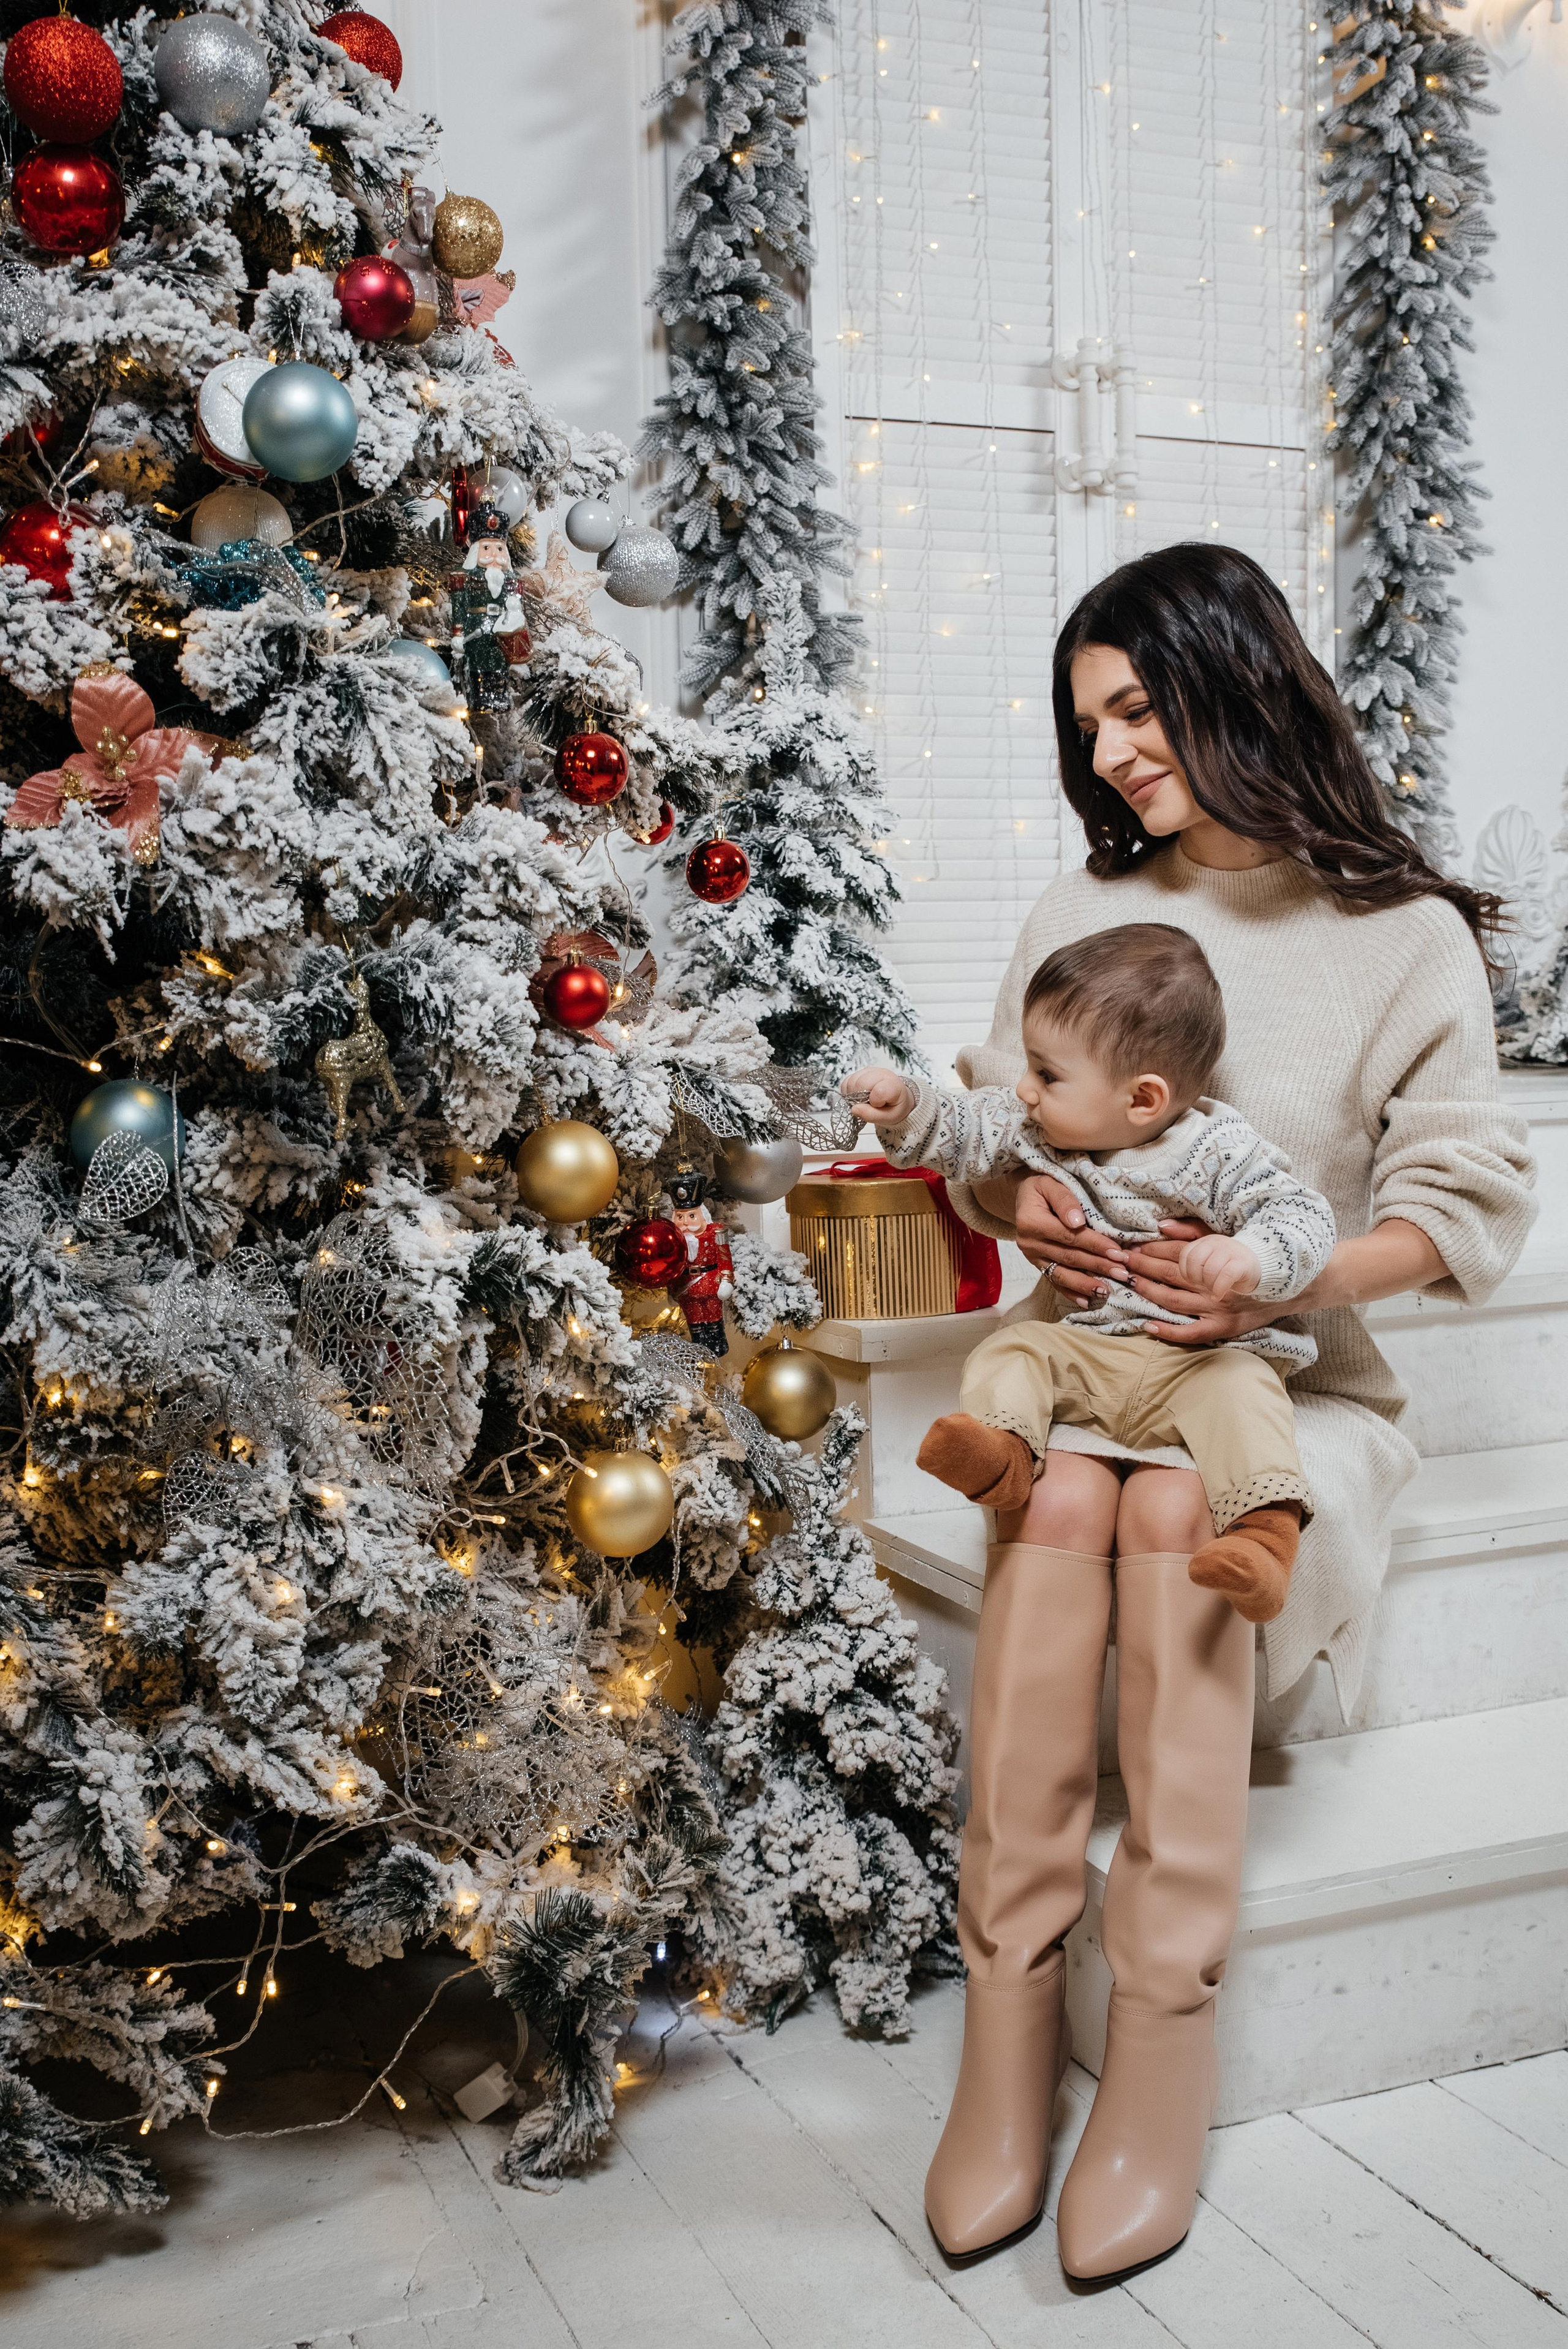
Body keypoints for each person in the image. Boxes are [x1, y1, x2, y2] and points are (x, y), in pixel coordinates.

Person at [913, 542, 1536, 2281]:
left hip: (1288, 1389)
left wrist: (1286, 1278)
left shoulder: (1401, 936)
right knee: (1064, 1497)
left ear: (1234, 675)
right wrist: (1009, 1207)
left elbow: (1465, 1198)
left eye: (1133, 704)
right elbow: (996, 1133)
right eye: (1086, 720)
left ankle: (1161, 2040)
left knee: (1179, 1510)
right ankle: (1010, 2020)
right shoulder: (1079, 911)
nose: (1110, 749)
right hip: (1094, 1369)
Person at [843, 921, 1336, 1624]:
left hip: (1201, 1361)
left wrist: (1251, 1258)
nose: (1024, 1088)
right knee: (1015, 1348)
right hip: (1088, 1348)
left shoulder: (1218, 1149)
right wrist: (905, 1104)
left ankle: (1262, 1538)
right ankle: (1004, 1452)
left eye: (1046, 1073)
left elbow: (1303, 1216)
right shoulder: (1036, 1127)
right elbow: (963, 1131)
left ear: (1142, 1099)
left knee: (1248, 1396)